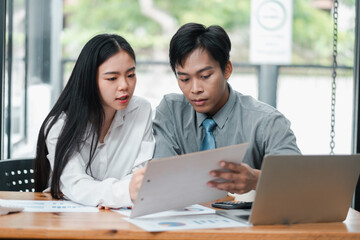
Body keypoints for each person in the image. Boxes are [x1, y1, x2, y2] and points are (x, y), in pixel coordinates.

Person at [152, 23, 301, 195]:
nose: (195, 89)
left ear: (227, 69)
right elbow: (160, 177)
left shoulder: (267, 121)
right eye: (184, 79)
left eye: (205, 76)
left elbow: (298, 180)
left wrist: (256, 179)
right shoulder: (171, 111)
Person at [34, 34, 154, 208]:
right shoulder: (60, 125)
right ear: (89, 80)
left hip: (123, 217)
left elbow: (140, 174)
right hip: (67, 219)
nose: (124, 85)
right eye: (112, 78)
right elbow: (75, 185)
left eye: (131, 75)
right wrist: (121, 194)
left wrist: (118, 195)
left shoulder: (141, 110)